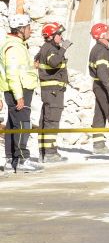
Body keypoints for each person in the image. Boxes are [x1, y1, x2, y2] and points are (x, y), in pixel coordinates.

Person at [2, 14, 42, 173]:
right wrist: (19, 96)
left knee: (13, 125)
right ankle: (22, 160)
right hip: (19, 90)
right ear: (20, 29)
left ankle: (11, 159)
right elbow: (12, 74)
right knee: (22, 124)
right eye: (28, 28)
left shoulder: (18, 45)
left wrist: (33, 67)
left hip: (20, 88)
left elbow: (20, 70)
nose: (30, 31)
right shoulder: (13, 47)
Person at [35, 22, 71, 163]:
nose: (61, 37)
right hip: (53, 92)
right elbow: (54, 63)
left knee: (46, 120)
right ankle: (50, 153)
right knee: (52, 121)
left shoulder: (46, 48)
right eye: (59, 34)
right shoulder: (50, 49)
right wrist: (63, 49)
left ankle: (44, 152)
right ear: (51, 36)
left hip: (50, 92)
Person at [88, 23, 109, 155]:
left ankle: (98, 145)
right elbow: (102, 72)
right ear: (102, 35)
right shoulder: (102, 51)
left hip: (99, 86)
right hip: (104, 86)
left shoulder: (97, 49)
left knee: (100, 114)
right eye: (107, 31)